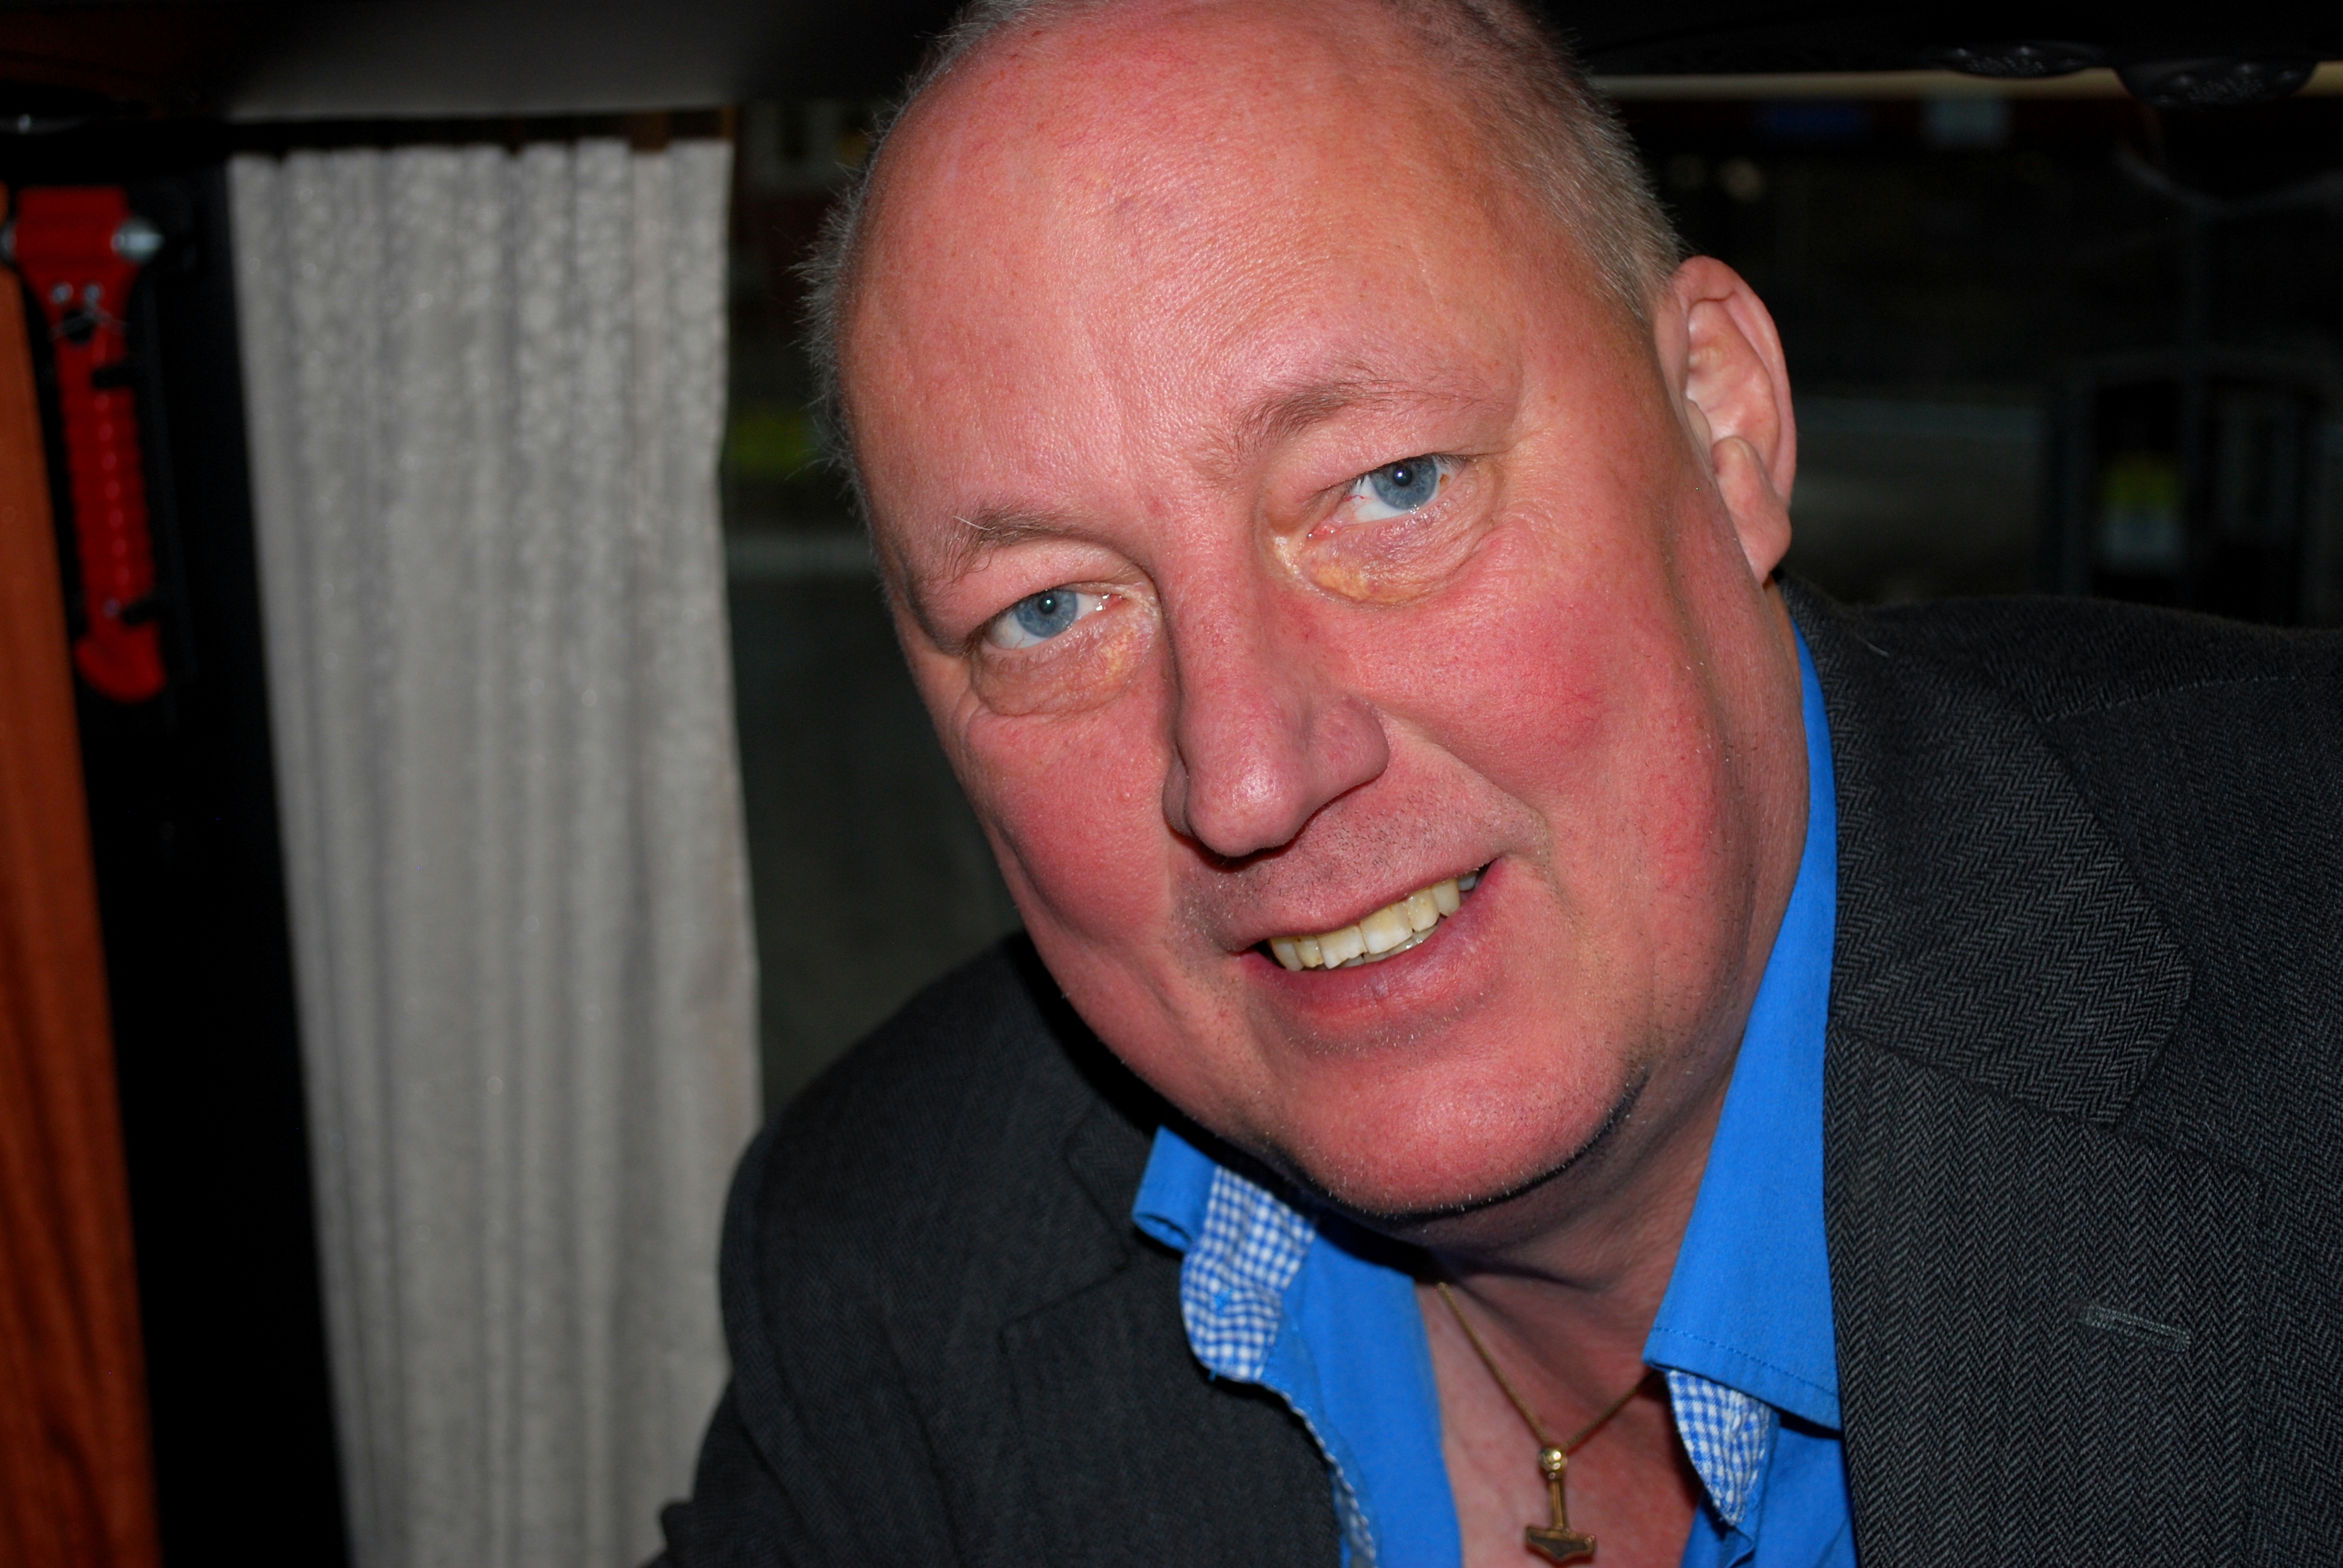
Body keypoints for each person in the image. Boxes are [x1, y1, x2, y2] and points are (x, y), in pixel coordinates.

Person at [654, 1, 2343, 1563]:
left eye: (1391, 486)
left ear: (1720, 425)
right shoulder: (893, 1262)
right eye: (1048, 610)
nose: (1247, 778)